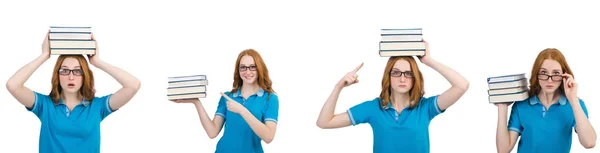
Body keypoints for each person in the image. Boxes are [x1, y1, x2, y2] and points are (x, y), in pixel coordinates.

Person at [316, 41, 469, 153]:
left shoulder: (425, 108)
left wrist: (428, 61)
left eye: (408, 73)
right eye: (396, 73)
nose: (402, 79)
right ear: (388, 77)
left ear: (414, 77)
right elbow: (324, 122)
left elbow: (461, 85)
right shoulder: (373, 108)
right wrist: (338, 87)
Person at [5, 32, 141, 153]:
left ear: (85, 75)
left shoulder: (97, 107)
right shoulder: (45, 105)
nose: (71, 77)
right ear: (57, 75)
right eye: (64, 70)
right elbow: (13, 85)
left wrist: (97, 62)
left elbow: (133, 85)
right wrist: (44, 55)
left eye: (77, 71)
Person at [171, 49, 279, 153]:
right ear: (238, 70)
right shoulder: (228, 97)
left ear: (260, 68)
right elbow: (212, 132)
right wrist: (196, 102)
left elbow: (268, 137)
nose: (247, 71)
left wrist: (242, 110)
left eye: (252, 67)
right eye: (243, 67)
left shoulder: (270, 99)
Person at [495, 48, 596, 153]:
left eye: (556, 73)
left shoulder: (575, 105)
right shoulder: (521, 105)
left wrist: (573, 100)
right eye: (543, 72)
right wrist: (502, 107)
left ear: (564, 76)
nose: (549, 80)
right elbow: (503, 150)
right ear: (536, 74)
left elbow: (589, 143)